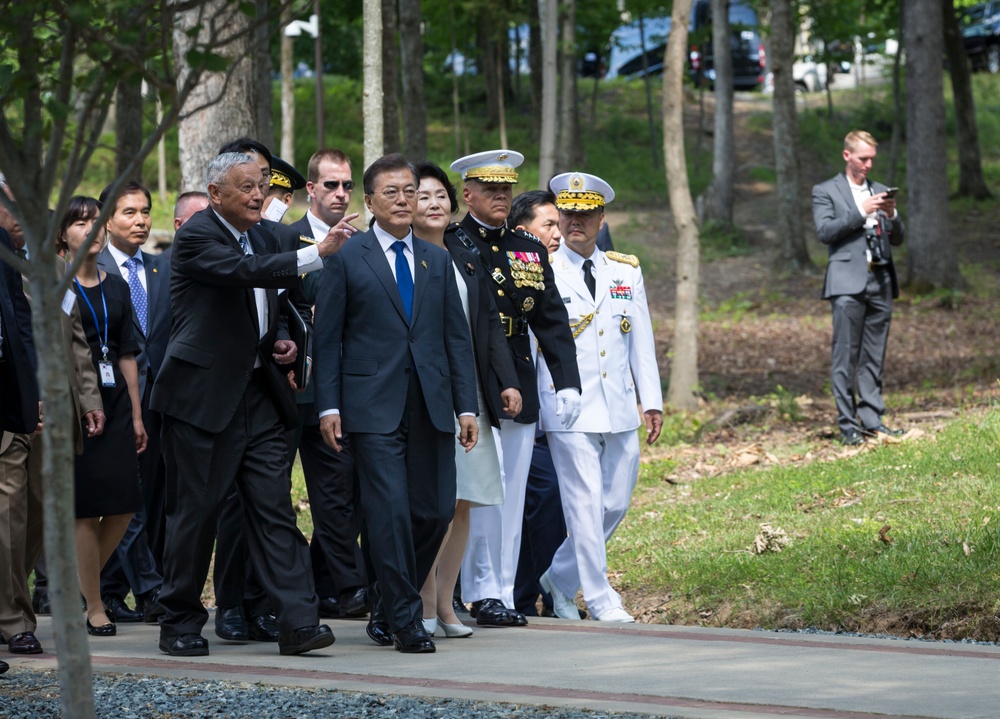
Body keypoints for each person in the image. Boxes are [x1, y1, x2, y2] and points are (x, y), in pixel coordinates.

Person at [149, 151, 342, 657]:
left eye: (261, 186)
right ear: (216, 195)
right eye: (246, 187)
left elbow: (272, 300)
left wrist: (281, 337)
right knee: (196, 514)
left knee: (274, 510)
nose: (259, 195)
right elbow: (243, 273)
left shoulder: (265, 235)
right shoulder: (197, 234)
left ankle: (299, 622)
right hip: (201, 399)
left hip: (258, 393)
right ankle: (180, 623)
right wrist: (316, 251)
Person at [314, 153, 479, 654]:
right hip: (370, 405)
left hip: (430, 402)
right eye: (392, 192)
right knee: (387, 511)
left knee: (432, 512)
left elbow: (456, 339)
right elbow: (327, 339)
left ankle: (386, 601)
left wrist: (466, 406)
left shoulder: (438, 259)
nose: (404, 199)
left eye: (410, 190)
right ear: (370, 202)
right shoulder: (347, 256)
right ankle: (408, 622)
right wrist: (329, 406)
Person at [449, 150, 581, 627]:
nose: (501, 197)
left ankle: (500, 591)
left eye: (507, 190)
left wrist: (567, 383)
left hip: (518, 375)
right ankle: (469, 589)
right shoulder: (450, 241)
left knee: (510, 489)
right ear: (468, 194)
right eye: (491, 189)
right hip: (468, 374)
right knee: (476, 489)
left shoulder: (525, 247)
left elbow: (551, 318)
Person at [538, 172, 663, 623]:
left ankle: (558, 578)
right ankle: (602, 596)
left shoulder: (624, 270)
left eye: (586, 214)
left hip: (618, 402)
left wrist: (651, 400)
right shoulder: (545, 269)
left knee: (615, 502)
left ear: (601, 217)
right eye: (568, 214)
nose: (576, 222)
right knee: (585, 504)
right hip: (567, 404)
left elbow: (640, 339)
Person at [412, 161, 522, 638]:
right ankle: (419, 605)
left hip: (469, 393)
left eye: (440, 197)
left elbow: (488, 322)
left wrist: (506, 380)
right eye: (422, 197)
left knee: (463, 503)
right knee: (433, 502)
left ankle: (446, 604)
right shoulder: (401, 255)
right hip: (424, 395)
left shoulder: (465, 251)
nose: (434, 204)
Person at [284, 148, 369, 621]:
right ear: (311, 189)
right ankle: (283, 590)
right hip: (284, 387)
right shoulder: (284, 236)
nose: (340, 194)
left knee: (340, 492)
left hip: (332, 391)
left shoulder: (360, 243)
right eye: (330, 185)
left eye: (346, 186)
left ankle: (341, 586)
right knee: (272, 500)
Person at [60, 195, 148, 636]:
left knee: (123, 507)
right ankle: (94, 604)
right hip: (75, 403)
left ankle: (84, 581)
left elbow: (128, 351)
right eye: (80, 223)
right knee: (83, 508)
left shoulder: (115, 284)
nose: (90, 229)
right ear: (63, 234)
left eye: (96, 220)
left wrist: (135, 414)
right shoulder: (55, 284)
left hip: (115, 403)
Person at [95, 182, 167, 624]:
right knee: (129, 500)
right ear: (106, 221)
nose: (140, 221)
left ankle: (112, 589)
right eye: (128, 213)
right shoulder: (92, 269)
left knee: (154, 499)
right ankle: (148, 587)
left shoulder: (162, 268)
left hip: (164, 399)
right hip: (117, 402)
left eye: (144, 212)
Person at [812, 130, 905, 446]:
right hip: (846, 283)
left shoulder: (879, 190)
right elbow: (825, 231)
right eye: (863, 158)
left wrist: (891, 215)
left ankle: (872, 420)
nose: (868, 165)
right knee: (845, 355)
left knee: (874, 355)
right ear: (847, 155)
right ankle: (847, 424)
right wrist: (861, 211)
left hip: (880, 279)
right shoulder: (826, 191)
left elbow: (899, 236)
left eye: (872, 160)